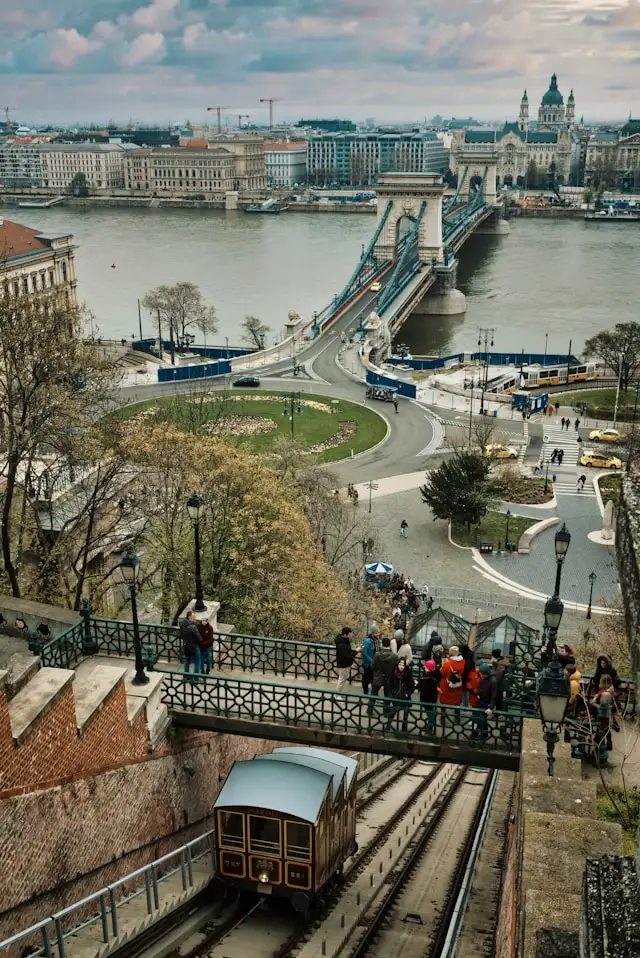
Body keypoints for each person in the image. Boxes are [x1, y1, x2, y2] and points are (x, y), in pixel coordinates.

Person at [369, 637, 399, 715]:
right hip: (389, 678)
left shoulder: (377, 654)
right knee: (387, 695)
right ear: (389, 645)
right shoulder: (394, 656)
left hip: (377, 677)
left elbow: (372, 666)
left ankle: (370, 710)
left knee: (373, 694)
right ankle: (386, 712)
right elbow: (397, 668)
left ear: (382, 644)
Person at [386, 658, 415, 731]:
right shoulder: (393, 673)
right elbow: (389, 685)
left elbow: (412, 687)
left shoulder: (408, 674)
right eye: (400, 664)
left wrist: (407, 694)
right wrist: (392, 693)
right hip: (396, 697)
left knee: (406, 714)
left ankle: (404, 728)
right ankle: (388, 726)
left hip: (405, 699)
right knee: (393, 712)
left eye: (403, 665)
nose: (401, 667)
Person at [475, 662, 498, 739]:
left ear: (485, 673)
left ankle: (478, 733)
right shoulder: (485, 678)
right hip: (482, 700)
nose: (480, 675)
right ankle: (482, 734)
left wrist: (491, 707)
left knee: (481, 718)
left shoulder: (493, 681)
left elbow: (494, 695)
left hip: (487, 703)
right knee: (481, 719)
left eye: (481, 674)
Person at [418, 659, 440, 736]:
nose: (424, 667)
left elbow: (424, 687)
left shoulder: (430, 678)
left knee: (430, 714)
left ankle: (429, 729)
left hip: (428, 698)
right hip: (430, 698)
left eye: (426, 666)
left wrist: (419, 683)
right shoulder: (433, 675)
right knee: (430, 714)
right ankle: (429, 727)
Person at [334, 626, 358, 691]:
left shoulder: (344, 640)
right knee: (341, 680)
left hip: (343, 663)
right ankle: (337, 695)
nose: (351, 635)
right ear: (345, 635)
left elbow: (348, 652)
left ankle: (338, 693)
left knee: (342, 679)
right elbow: (348, 656)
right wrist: (356, 651)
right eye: (349, 634)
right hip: (344, 664)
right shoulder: (342, 644)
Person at [180, 610, 202, 676]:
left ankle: (186, 676)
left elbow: (181, 635)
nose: (195, 619)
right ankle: (196, 678)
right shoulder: (193, 627)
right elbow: (199, 638)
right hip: (194, 646)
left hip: (186, 645)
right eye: (194, 617)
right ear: (189, 617)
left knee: (187, 661)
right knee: (197, 662)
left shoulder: (183, 624)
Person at [361, 623, 379, 696]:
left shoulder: (377, 640)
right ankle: (365, 691)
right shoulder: (367, 641)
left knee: (374, 679)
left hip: (375, 663)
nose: (378, 634)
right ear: (373, 633)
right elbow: (364, 653)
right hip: (368, 664)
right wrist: (372, 660)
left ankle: (374, 692)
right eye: (377, 632)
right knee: (366, 678)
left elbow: (377, 650)